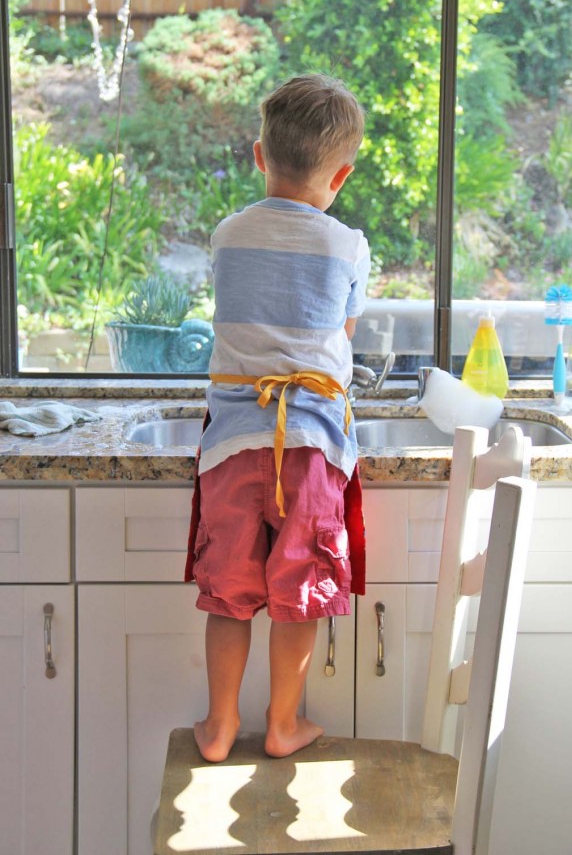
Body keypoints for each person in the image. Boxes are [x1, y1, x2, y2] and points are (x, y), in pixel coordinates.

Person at [187, 73, 371, 763]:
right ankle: (283, 722)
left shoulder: (227, 234)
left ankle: (219, 724)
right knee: (301, 588)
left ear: (259, 155)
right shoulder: (346, 245)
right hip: (312, 445)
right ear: (341, 175)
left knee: (228, 593)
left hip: (232, 442)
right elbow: (340, 333)